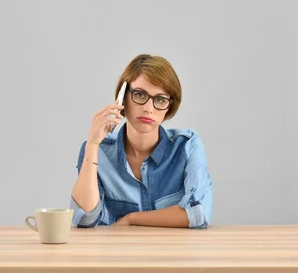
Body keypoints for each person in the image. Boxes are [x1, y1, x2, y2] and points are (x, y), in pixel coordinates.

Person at [70, 54, 213, 229]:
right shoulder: (98, 151)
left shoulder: (187, 146)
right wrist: (92, 144)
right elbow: (85, 218)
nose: (148, 108)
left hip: (173, 254)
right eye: (139, 94)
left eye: (160, 99)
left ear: (169, 106)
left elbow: (199, 214)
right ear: (123, 98)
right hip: (115, 255)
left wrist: (131, 219)